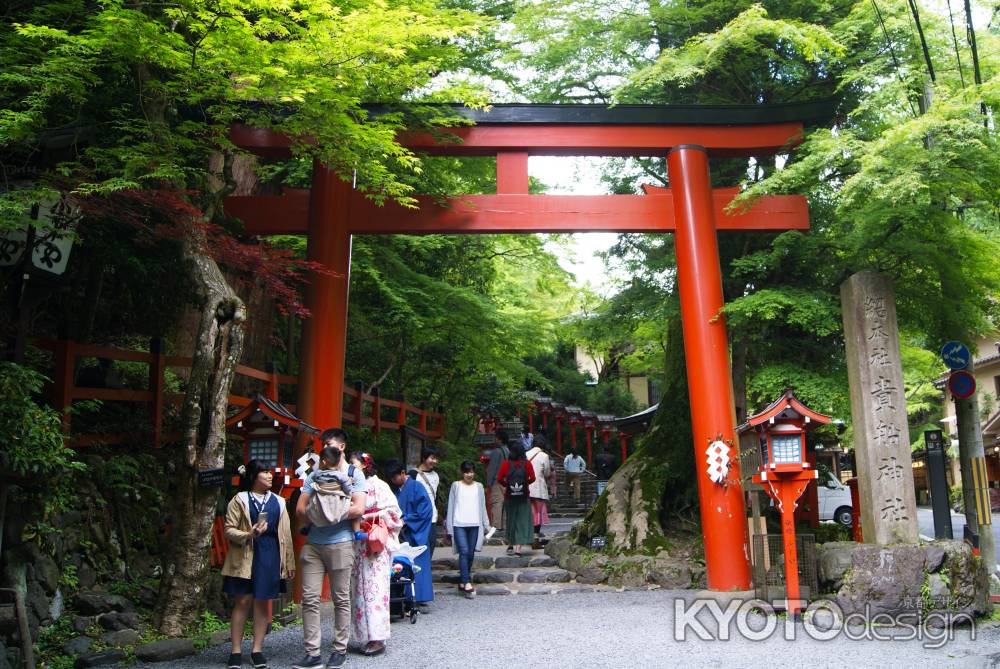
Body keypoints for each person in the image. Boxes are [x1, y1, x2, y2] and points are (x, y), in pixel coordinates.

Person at [293, 430, 366, 669]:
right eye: (323, 444)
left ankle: (339, 649)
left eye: (329, 443)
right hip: (314, 544)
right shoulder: (313, 475)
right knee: (310, 599)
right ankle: (312, 653)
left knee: (341, 598)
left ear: (342, 446)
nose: (325, 447)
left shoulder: (354, 474)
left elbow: (359, 508)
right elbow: (300, 509)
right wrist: (327, 515)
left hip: (341, 541)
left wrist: (327, 515)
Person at [222, 460, 295, 669]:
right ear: (254, 476)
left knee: (262, 602)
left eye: (270, 472)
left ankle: (257, 649)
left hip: (270, 554)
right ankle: (235, 650)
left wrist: (289, 562)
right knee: (243, 601)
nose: (270, 476)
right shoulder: (240, 499)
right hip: (245, 554)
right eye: (264, 472)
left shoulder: (280, 502)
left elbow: (286, 534)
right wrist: (249, 534)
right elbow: (229, 529)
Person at [348, 452, 402, 657]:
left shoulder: (379, 485)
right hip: (359, 546)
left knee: (375, 591)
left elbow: (394, 513)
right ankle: (363, 635)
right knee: (359, 591)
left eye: (354, 465)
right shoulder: (353, 486)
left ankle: (378, 638)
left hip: (374, 545)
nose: (351, 469)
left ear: (365, 465)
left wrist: (367, 516)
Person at [390, 462, 435, 610]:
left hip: (415, 532)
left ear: (403, 473)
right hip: (402, 533)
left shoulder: (417, 487)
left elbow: (425, 510)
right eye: (392, 478)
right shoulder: (396, 490)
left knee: (419, 564)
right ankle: (404, 597)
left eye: (395, 476)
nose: (394, 480)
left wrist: (407, 519)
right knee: (401, 564)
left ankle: (420, 598)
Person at [445, 461, 490, 596]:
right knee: (464, 551)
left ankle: (462, 581)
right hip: (459, 524)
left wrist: (486, 524)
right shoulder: (456, 486)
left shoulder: (479, 487)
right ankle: (467, 581)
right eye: (466, 472)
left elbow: (482, 507)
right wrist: (449, 527)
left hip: (475, 524)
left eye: (471, 472)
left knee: (470, 553)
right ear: (462, 472)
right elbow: (451, 506)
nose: (469, 475)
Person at [497, 440, 536, 556]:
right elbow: (533, 478)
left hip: (510, 496)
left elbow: (499, 478)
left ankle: (510, 544)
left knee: (511, 520)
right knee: (522, 520)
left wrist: (508, 485)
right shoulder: (527, 464)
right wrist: (525, 484)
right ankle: (518, 549)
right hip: (524, 496)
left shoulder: (506, 464)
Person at [525, 434, 554, 548]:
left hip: (527, 488)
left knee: (529, 513)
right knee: (538, 513)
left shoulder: (526, 454)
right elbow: (547, 473)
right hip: (539, 488)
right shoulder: (544, 456)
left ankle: (528, 537)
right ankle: (535, 538)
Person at [414, 446, 441, 560]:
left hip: (432, 517)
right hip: (419, 518)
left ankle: (426, 574)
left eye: (436, 458)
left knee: (431, 544)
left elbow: (436, 496)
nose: (434, 461)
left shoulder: (435, 475)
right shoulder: (413, 475)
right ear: (424, 458)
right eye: (432, 458)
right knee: (419, 548)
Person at [486, 430, 510, 531]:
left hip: (497, 481)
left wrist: (489, 483)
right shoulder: (508, 451)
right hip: (507, 481)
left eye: (496, 437)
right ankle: (504, 525)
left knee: (496, 503)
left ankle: (496, 525)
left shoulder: (496, 452)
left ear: (499, 439)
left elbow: (492, 468)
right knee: (505, 503)